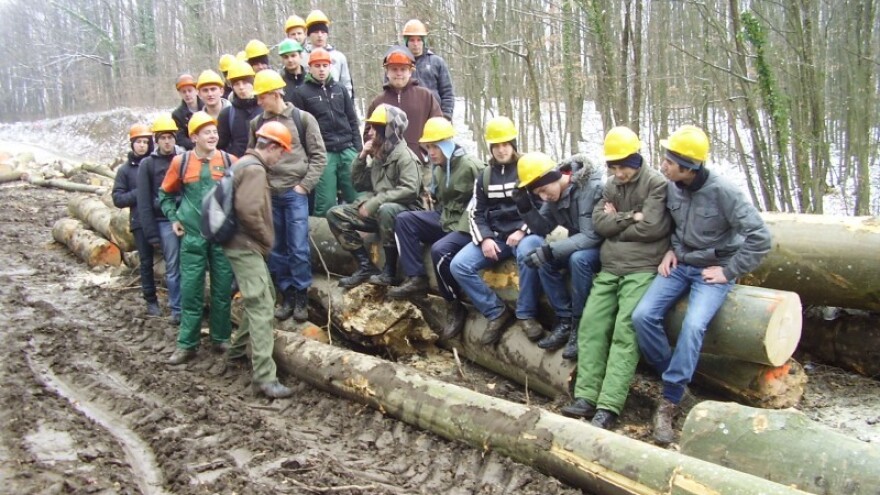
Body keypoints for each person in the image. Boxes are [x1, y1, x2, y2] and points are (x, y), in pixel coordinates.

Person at [632, 125, 771, 445]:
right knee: (642, 317)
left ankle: (669, 400)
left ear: (688, 167)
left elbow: (760, 238)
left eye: (669, 161)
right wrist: (669, 250)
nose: (663, 165)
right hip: (680, 264)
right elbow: (669, 225)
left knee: (693, 326)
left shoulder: (725, 192)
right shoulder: (672, 188)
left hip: (713, 270)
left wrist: (729, 270)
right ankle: (676, 377)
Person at [560, 126, 672, 430]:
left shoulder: (656, 184)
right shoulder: (610, 186)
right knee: (592, 325)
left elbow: (652, 227)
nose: (618, 172)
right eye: (614, 166)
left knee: (626, 332)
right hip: (610, 267)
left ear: (636, 159)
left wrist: (618, 219)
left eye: (623, 165)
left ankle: (609, 405)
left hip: (642, 268)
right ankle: (585, 397)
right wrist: (629, 217)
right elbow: (599, 225)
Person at [386, 118, 483, 338]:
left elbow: (486, 197)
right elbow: (439, 202)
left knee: (439, 249)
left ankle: (454, 305)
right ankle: (416, 278)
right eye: (428, 147)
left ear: (447, 143)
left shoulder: (471, 165)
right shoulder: (439, 169)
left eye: (434, 146)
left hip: (467, 224)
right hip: (445, 218)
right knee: (404, 219)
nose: (431, 152)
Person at [222, 121, 297, 399]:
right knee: (262, 306)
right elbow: (249, 211)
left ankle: (236, 352)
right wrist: (267, 239)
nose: (280, 158)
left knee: (263, 294)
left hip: (240, 243)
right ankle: (264, 377)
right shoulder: (254, 169)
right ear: (273, 146)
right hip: (246, 245)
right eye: (281, 152)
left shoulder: (243, 164)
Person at [248, 69, 326, 322]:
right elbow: (253, 157)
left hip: (295, 192)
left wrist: (305, 186)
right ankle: (287, 294)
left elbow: (319, 156)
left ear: (275, 93)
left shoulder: (302, 119)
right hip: (270, 194)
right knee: (276, 248)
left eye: (262, 97)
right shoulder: (257, 124)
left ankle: (302, 295)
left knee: (298, 247)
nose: (259, 102)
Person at [159, 111, 236, 365]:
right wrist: (174, 218)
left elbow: (244, 193)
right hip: (193, 236)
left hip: (221, 237)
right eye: (206, 132)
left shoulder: (228, 160)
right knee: (191, 290)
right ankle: (187, 344)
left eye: (214, 131)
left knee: (222, 290)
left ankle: (221, 338)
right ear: (194, 137)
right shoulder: (179, 163)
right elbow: (165, 194)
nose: (213, 136)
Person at [449, 139, 543, 346]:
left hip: (526, 234)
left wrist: (522, 231)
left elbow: (542, 205)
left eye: (506, 145)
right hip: (497, 237)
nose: (501, 150)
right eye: (496, 146)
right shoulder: (485, 176)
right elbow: (475, 212)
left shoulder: (527, 169)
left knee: (529, 255)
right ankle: (495, 311)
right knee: (459, 265)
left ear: (513, 145)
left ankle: (526, 314)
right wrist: (485, 239)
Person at [513, 149, 605, 358]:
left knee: (577, 259)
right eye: (538, 195)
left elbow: (591, 236)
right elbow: (544, 229)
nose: (545, 196)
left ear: (555, 177)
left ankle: (579, 326)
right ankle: (564, 319)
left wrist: (551, 250)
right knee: (543, 259)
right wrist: (526, 208)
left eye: (544, 190)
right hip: (579, 243)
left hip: (602, 246)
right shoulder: (553, 195)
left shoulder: (589, 187)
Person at [326, 104, 422, 289]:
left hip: (406, 213)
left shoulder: (405, 156)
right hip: (380, 212)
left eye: (374, 128)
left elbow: (411, 190)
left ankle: (390, 271)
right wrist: (361, 157)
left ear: (388, 129)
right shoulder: (380, 155)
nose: (369, 132)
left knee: (387, 209)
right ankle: (365, 267)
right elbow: (360, 184)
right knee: (335, 214)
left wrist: (375, 202)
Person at [291, 47, 361, 217]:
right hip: (323, 153)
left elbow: (352, 119)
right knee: (325, 202)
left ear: (330, 66)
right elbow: (299, 128)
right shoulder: (302, 93)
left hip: (347, 148)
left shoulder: (340, 89)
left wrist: (358, 149)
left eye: (325, 65)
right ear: (310, 68)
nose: (321, 69)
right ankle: (325, 240)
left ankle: (362, 235)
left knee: (358, 198)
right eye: (317, 65)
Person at [137, 114, 183, 325]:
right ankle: (177, 309)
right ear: (157, 140)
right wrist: (151, 233)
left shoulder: (184, 158)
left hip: (186, 217)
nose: (167, 142)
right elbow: (144, 201)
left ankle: (193, 303)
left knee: (192, 264)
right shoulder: (148, 164)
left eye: (170, 137)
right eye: (163, 138)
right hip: (163, 221)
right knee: (173, 266)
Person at [364, 46, 442, 162]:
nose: (399, 73)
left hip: (420, 165)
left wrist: (424, 152)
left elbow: (439, 128)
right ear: (387, 72)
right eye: (394, 69)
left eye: (403, 69)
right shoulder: (378, 103)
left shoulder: (425, 97)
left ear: (410, 71)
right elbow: (368, 135)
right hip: (387, 167)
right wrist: (378, 152)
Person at [113, 124, 160, 317]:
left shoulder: (156, 163)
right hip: (139, 220)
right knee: (146, 261)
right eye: (139, 142)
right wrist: (140, 192)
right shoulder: (125, 171)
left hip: (160, 218)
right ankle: (151, 300)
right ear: (132, 144)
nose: (142, 146)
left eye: (145, 142)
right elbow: (118, 198)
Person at [400, 19, 455, 120]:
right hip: (407, 120)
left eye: (419, 40)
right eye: (412, 40)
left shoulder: (437, 62)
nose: (415, 44)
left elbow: (447, 93)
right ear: (406, 42)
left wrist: (446, 117)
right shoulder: (398, 65)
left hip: (435, 119)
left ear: (424, 41)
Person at [302, 10, 353, 98]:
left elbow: (346, 84)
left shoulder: (339, 57)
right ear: (309, 34)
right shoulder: (301, 57)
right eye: (316, 32)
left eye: (323, 32)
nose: (320, 35)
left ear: (327, 34)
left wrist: (345, 103)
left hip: (336, 104)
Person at [218, 61, 261, 157]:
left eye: (245, 83)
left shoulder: (266, 108)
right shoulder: (227, 115)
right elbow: (220, 149)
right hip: (238, 167)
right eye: (237, 84)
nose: (241, 87)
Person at [171, 74, 203, 150]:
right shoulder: (177, 115)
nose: (187, 94)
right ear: (180, 94)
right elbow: (180, 138)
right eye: (184, 92)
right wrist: (198, 146)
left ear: (196, 91)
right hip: (190, 150)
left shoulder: (207, 108)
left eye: (190, 90)